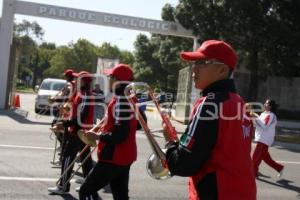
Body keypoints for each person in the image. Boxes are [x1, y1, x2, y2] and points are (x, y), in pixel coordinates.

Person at [163, 40, 256, 200]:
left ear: (221, 69)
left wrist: (170, 141)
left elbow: (184, 164)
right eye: (194, 63)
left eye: (201, 62)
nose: (194, 68)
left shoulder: (210, 103)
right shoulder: (240, 102)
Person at [79, 64, 138, 200]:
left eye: (111, 77)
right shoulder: (130, 98)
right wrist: (107, 127)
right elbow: (140, 123)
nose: (108, 79)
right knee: (120, 196)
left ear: (118, 81)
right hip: (125, 156)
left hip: (113, 156)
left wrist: (98, 135)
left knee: (85, 191)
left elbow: (120, 135)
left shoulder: (121, 102)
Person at [48, 71, 95, 194]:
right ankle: (88, 185)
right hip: (82, 131)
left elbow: (81, 116)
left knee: (67, 158)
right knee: (86, 160)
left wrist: (64, 124)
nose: (76, 81)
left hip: (78, 132)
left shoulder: (84, 95)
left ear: (84, 81)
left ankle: (63, 186)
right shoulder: (83, 94)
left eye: (79, 79)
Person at [252, 99, 284, 178]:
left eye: (266, 103)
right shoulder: (263, 114)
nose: (264, 104)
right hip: (262, 138)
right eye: (265, 103)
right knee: (265, 158)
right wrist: (255, 117)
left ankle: (252, 173)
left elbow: (265, 126)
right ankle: (279, 168)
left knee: (255, 157)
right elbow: (259, 124)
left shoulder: (271, 115)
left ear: (270, 106)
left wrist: (255, 118)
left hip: (264, 139)